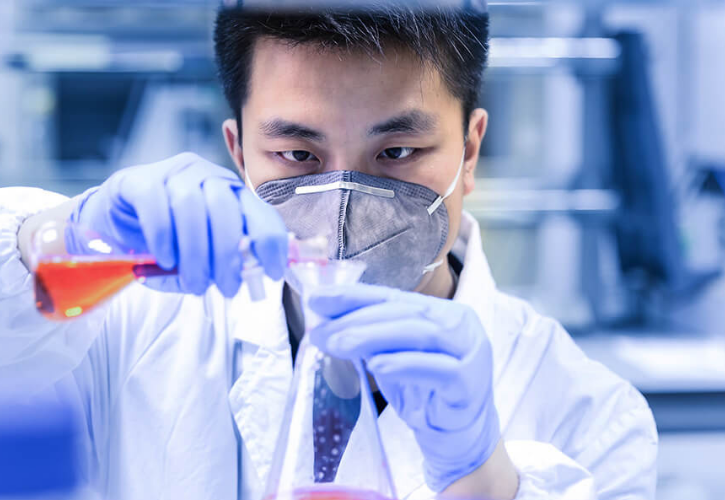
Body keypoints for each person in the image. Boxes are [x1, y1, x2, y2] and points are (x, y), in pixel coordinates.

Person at [0, 3, 657, 500]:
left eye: (396, 153)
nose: (343, 203)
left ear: (470, 147)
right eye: (297, 155)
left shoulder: (588, 412)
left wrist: (484, 479)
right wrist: (59, 241)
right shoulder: (133, 329)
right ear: (236, 152)